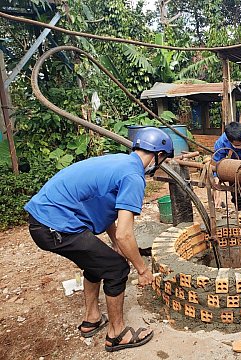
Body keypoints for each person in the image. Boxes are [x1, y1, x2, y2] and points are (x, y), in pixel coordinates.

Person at [24, 127, 174, 352]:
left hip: (45, 220)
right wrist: (142, 270)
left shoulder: (120, 162)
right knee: (116, 268)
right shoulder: (133, 176)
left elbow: (106, 210)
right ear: (159, 155)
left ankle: (92, 319)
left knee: (96, 261)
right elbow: (126, 233)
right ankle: (117, 333)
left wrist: (114, 242)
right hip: (55, 225)